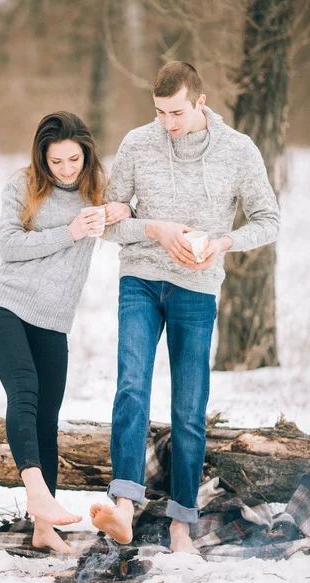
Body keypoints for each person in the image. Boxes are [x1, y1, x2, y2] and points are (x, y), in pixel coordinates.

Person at [90, 62, 280, 553]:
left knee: (189, 407)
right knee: (131, 385)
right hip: (140, 281)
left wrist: (223, 242)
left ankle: (181, 524)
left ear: (199, 101)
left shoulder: (238, 150)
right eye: (159, 112)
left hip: (197, 287)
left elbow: (269, 219)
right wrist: (154, 228)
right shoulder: (138, 143)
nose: (168, 124)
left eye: (176, 112)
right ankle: (125, 506)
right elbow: (111, 221)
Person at [0, 111, 131, 553]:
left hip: (54, 320)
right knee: (24, 390)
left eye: (73, 160)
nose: (66, 170)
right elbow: (8, 244)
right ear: (42, 159)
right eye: (56, 161)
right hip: (4, 303)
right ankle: (37, 494)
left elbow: (127, 219)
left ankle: (43, 531)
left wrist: (122, 209)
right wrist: (69, 230)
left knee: (47, 417)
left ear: (86, 154)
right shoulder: (24, 185)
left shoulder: (97, 185)